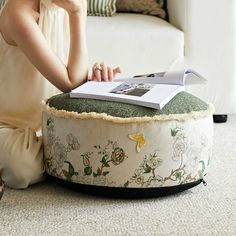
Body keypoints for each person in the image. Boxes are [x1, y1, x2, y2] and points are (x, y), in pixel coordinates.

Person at [0, 0, 121, 191]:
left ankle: (54, 154)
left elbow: (73, 74)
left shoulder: (66, 7)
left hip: (52, 121)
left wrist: (94, 74)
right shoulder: (19, 15)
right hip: (9, 125)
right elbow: (71, 83)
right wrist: (78, 13)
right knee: (24, 167)